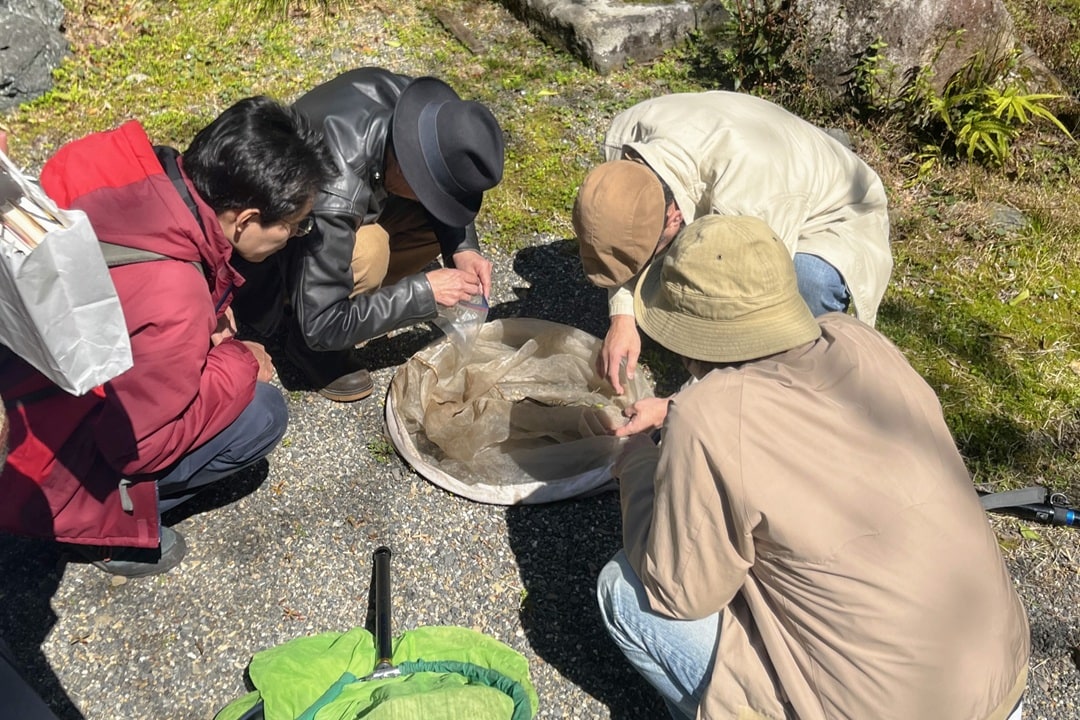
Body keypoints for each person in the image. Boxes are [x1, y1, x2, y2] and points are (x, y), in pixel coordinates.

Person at [595, 214, 1029, 720]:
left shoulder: (706, 419)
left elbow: (678, 593)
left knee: (624, 589)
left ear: (688, 330)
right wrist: (673, 409)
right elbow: (789, 410)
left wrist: (638, 463)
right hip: (1001, 684)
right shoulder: (858, 341)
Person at [0, 97, 336, 577]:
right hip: (37, 470)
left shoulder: (109, 159)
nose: (294, 235)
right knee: (262, 413)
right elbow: (142, 448)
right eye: (293, 225)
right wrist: (237, 360)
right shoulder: (173, 301)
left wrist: (206, 314)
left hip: (24, 382)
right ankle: (98, 529)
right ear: (244, 220)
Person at [572, 91, 893, 404]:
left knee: (806, 284)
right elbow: (621, 231)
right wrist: (622, 319)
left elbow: (743, 310)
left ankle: (792, 383)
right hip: (755, 158)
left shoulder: (750, 196)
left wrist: (681, 408)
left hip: (834, 215)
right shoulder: (626, 137)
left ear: (673, 216)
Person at [231, 67, 505, 402]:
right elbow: (323, 323)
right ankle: (301, 341)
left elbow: (444, 188)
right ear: (408, 168)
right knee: (371, 252)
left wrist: (463, 248)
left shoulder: (419, 114)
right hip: (273, 258)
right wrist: (424, 292)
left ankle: (354, 299)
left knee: (438, 222)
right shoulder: (334, 191)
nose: (434, 200)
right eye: (431, 191)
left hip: (346, 202)